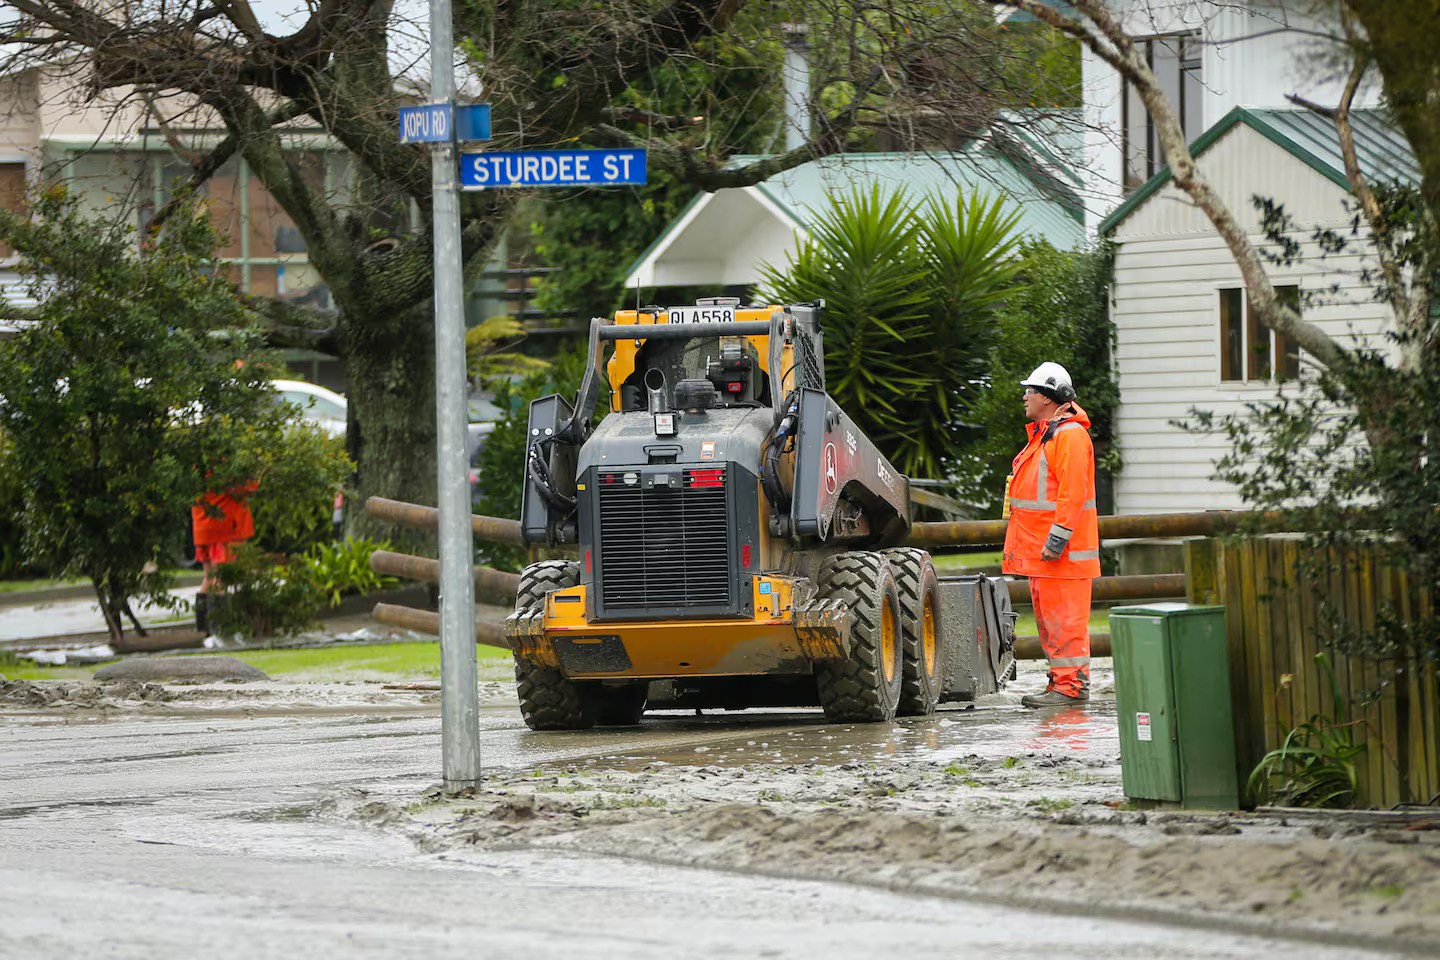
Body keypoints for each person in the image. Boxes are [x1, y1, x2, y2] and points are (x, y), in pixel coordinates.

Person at [1002, 362, 1100, 708]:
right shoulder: (1050, 433)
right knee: (1052, 624)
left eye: (1031, 390)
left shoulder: (1069, 436)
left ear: (1049, 396)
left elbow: (1072, 493)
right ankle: (1062, 684)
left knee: (1065, 624)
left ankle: (1070, 688)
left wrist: (1057, 539)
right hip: (1047, 554)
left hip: (1062, 554)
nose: (1025, 396)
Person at [191, 478, 258, 635]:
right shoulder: (225, 460)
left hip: (202, 526)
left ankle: (205, 629)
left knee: (209, 577)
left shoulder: (197, 461)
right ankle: (220, 628)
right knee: (220, 578)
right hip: (224, 526)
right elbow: (247, 486)